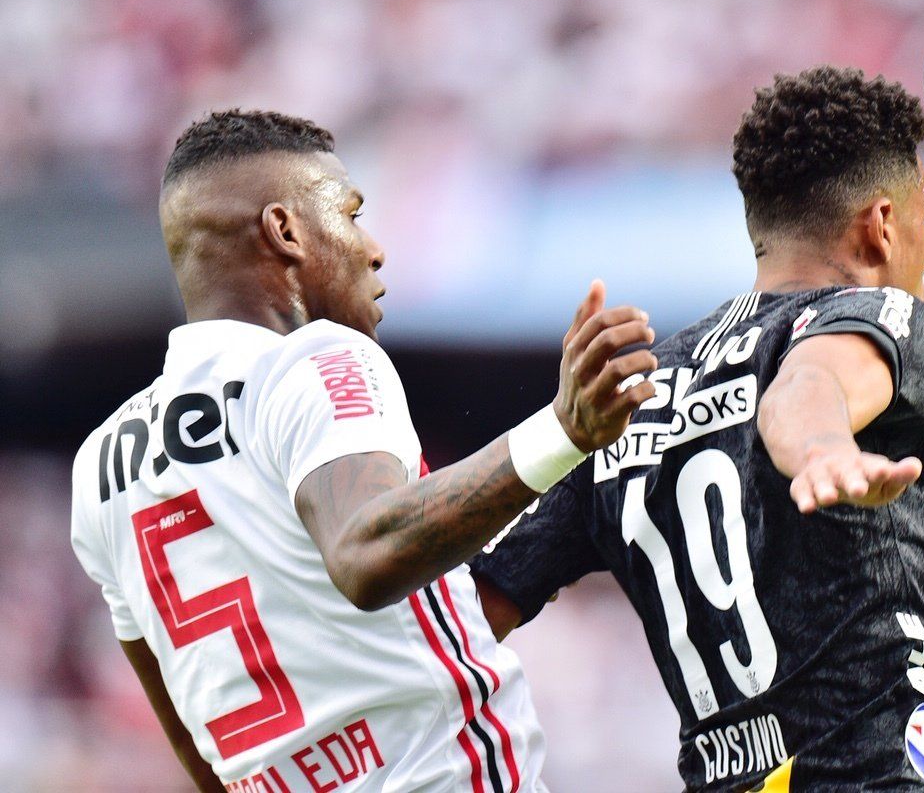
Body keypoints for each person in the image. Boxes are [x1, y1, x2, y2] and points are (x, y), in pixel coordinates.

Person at [69, 110, 659, 792]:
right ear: (286, 232)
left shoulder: (101, 467)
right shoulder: (314, 360)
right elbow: (365, 554)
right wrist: (563, 432)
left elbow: (195, 740)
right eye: (349, 215)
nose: (373, 249)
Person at [471, 68, 924, 792]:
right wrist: (822, 451)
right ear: (882, 225)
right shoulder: (881, 313)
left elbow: (477, 609)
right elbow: (805, 388)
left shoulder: (630, 394)